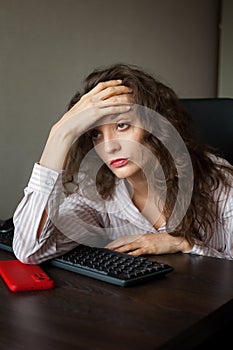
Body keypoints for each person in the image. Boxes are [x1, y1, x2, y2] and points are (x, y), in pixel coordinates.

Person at [13, 63, 233, 264]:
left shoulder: (218, 181)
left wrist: (185, 245)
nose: (109, 146)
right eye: (95, 134)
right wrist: (60, 134)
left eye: (122, 125)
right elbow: (29, 251)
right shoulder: (99, 194)